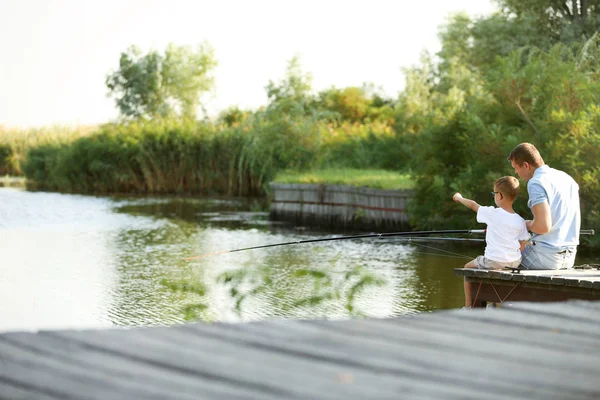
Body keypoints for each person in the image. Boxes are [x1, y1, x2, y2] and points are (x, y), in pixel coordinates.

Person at [453, 176, 530, 308]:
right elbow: (522, 245)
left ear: (499, 196)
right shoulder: (520, 220)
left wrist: (459, 197)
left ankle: (468, 306)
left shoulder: (492, 213)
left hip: (493, 261)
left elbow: (473, 205)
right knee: (501, 272)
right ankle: (495, 303)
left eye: (493, 194)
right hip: (514, 263)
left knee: (467, 267)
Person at [507, 143, 581, 270]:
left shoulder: (536, 183)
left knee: (499, 257)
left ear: (526, 165)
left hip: (545, 258)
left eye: (516, 168)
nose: (516, 172)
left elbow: (542, 227)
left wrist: (524, 224)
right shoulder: (567, 178)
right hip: (570, 257)